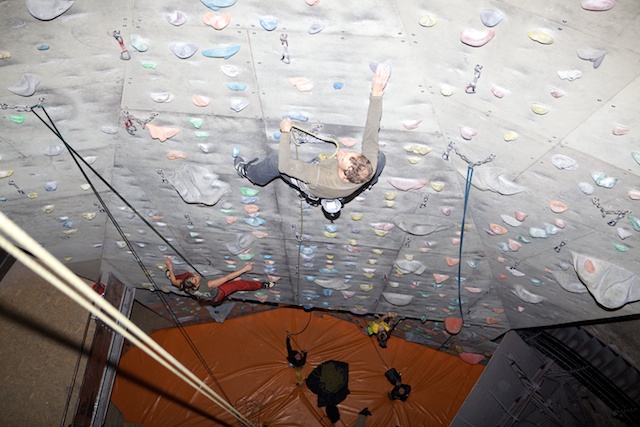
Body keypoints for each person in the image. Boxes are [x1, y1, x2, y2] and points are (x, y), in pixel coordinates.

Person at [234, 64, 391, 201]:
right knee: (380, 156)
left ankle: (250, 174)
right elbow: (371, 131)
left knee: (274, 162)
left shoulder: (319, 178)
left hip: (315, 187)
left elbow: (285, 166)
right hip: (352, 180)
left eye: (342, 158)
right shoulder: (368, 166)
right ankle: (366, 185)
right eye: (349, 154)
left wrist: (285, 133)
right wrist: (376, 94)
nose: (342, 152)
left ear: (344, 175)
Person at [164, 256, 274, 303]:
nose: (197, 276)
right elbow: (227, 277)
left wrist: (170, 266)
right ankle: (263, 285)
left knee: (187, 274)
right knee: (238, 284)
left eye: (195, 277)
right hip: (217, 295)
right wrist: (245, 269)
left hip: (202, 295)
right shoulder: (209, 284)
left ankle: (169, 274)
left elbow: (174, 282)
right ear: (196, 286)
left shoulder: (185, 285)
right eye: (196, 279)